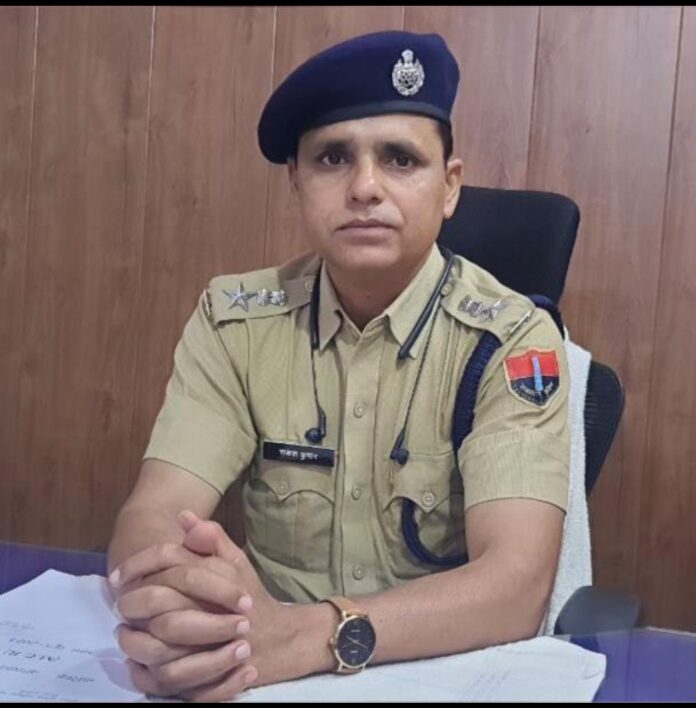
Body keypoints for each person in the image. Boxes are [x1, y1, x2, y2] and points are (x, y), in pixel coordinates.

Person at [107, 30, 570, 702]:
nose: (364, 188)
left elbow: (517, 586)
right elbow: (153, 512)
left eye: (400, 159)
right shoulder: (235, 323)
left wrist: (308, 637)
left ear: (449, 187)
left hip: (438, 680)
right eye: (332, 158)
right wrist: (171, 609)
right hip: (259, 675)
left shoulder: (510, 341)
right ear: (296, 182)